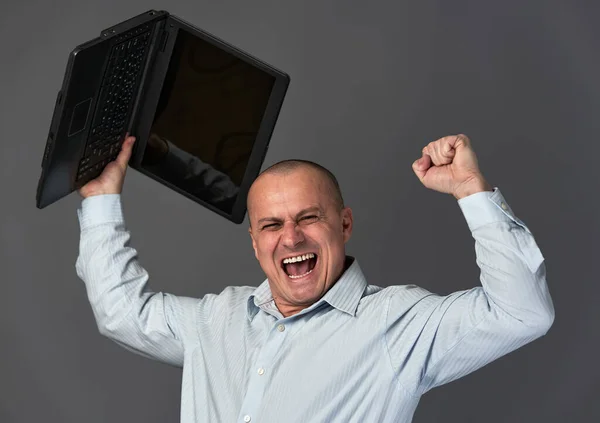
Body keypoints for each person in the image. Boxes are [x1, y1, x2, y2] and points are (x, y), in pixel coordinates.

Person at [75, 133, 554, 423]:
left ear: (344, 224)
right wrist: (100, 199)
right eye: (271, 225)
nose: (291, 238)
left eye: (308, 218)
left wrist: (471, 192)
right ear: (255, 242)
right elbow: (122, 312)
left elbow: (522, 313)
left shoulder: (396, 324)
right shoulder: (215, 320)